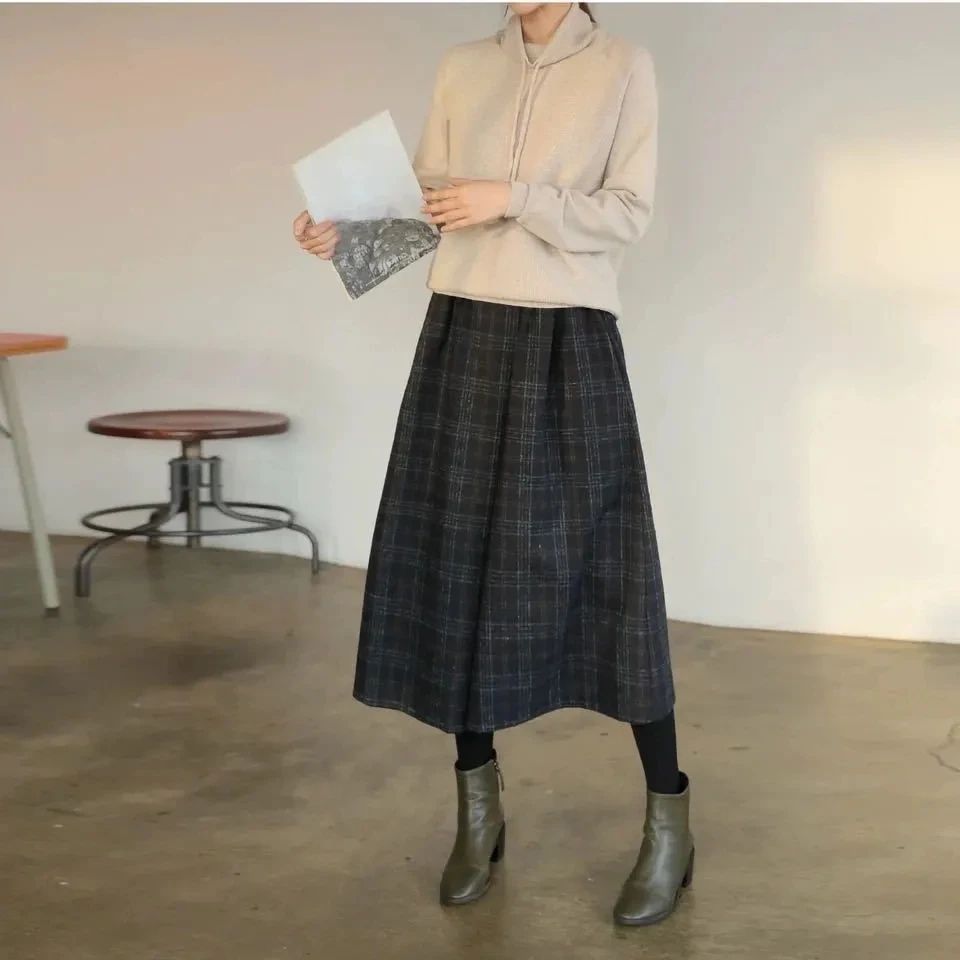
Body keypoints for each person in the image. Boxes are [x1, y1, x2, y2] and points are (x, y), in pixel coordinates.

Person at [293, 1, 693, 927]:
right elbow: (425, 209)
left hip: (568, 340)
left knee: (611, 576)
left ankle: (669, 820)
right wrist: (341, 236)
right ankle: (479, 812)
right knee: (457, 567)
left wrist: (512, 197)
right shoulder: (462, 65)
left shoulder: (623, 65)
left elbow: (628, 215)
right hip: (462, 333)